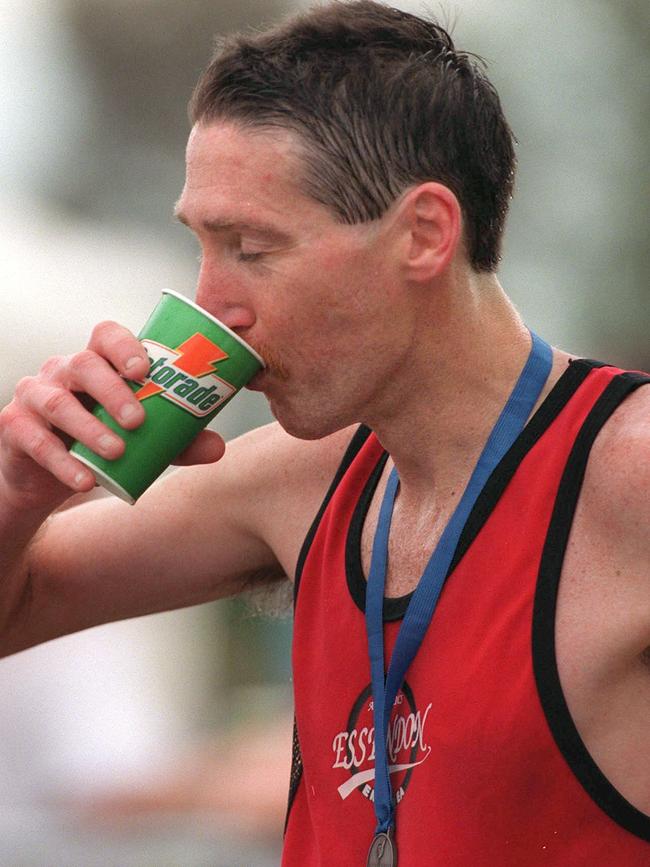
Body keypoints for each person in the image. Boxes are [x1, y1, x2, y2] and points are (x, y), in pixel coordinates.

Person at [0, 1, 648, 863]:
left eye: (250, 249)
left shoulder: (626, 467)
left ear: (423, 234)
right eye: (201, 244)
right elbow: (21, 606)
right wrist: (19, 492)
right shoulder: (300, 478)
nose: (212, 303)